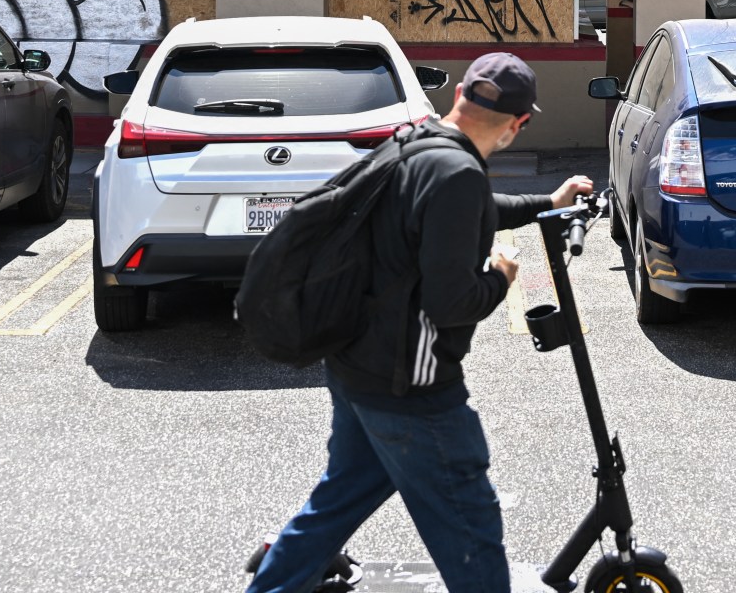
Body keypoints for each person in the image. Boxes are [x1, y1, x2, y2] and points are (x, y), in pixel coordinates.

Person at [248, 51, 593, 593]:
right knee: (470, 526)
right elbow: (451, 302)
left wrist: (545, 202)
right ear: (520, 123)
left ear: (458, 92)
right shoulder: (457, 172)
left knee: (339, 500)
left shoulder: (420, 141)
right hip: (411, 388)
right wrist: (501, 277)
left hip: (357, 363)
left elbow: (464, 212)